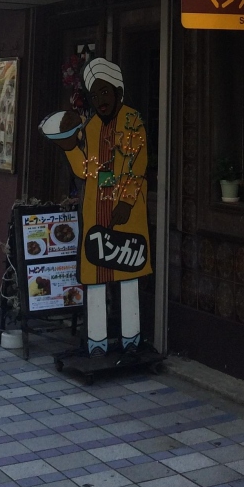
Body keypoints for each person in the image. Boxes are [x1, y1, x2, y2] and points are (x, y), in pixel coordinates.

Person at [51, 57, 151, 355]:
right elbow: (87, 171)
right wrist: (70, 148)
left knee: (128, 274)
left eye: (105, 92)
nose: (100, 101)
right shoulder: (91, 127)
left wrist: (126, 202)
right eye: (94, 96)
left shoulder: (133, 121)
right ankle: (97, 342)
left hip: (126, 215)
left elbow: (138, 164)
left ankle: (131, 339)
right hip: (96, 211)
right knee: (95, 277)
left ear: (118, 92)